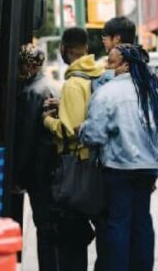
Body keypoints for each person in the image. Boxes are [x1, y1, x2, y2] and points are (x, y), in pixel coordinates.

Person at [80, 44, 158, 271]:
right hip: (147, 169)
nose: (107, 67)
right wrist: (155, 171)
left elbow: (94, 135)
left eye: (110, 62)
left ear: (125, 65)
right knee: (142, 223)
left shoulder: (106, 93)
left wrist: (81, 129)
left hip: (117, 168)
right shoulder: (154, 94)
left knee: (117, 224)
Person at [42, 27, 102, 271]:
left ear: (64, 50)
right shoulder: (97, 77)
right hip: (96, 164)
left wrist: (47, 120)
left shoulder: (72, 84)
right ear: (86, 49)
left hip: (75, 166)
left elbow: (68, 131)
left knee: (70, 235)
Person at [13, 45, 64, 271]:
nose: (20, 70)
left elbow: (26, 138)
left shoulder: (32, 92)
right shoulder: (53, 86)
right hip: (56, 168)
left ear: (31, 65)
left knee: (43, 226)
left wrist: (19, 175)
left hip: (39, 170)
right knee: (53, 226)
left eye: (22, 65)